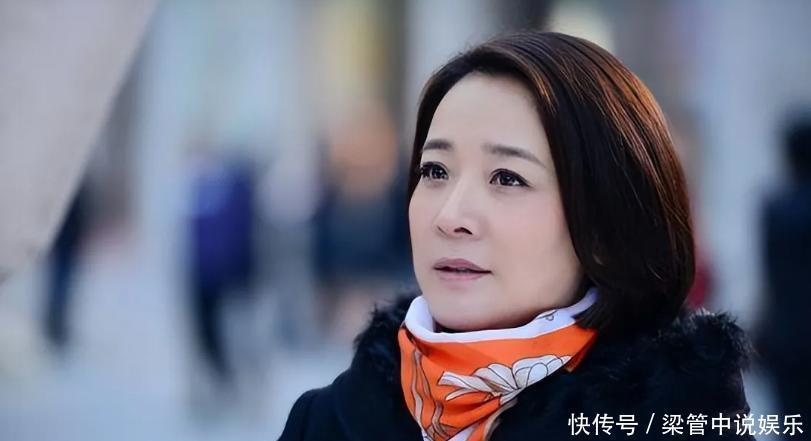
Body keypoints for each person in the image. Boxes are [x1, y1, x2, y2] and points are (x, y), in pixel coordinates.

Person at [279, 31, 753, 441]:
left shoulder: (678, 419)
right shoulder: (329, 421)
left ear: (605, 226)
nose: (450, 216)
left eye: (507, 178)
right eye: (435, 170)